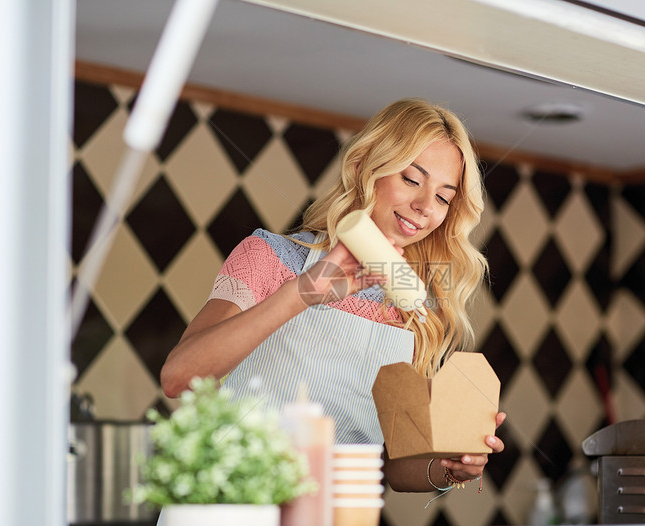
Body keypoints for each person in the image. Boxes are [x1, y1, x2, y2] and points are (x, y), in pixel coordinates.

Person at [160, 97, 506, 494]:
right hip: (233, 515)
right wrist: (306, 290)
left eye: (444, 197)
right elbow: (179, 377)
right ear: (363, 168)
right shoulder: (272, 258)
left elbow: (395, 465)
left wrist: (447, 466)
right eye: (411, 179)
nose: (425, 206)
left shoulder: (419, 307)